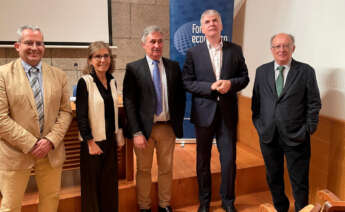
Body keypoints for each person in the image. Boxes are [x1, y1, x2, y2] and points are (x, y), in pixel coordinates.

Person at [182, 9, 249, 212]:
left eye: (215, 21)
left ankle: (228, 202)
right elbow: (187, 82)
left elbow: (244, 78)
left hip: (227, 114)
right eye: (207, 22)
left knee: (228, 160)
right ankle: (204, 202)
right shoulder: (193, 53)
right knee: (202, 160)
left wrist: (231, 84)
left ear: (221, 25)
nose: (211, 24)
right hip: (204, 113)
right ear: (202, 28)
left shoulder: (235, 50)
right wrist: (209, 87)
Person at [0, 25, 72, 212]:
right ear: (17, 46)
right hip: (14, 152)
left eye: (39, 43)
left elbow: (65, 112)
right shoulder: (3, 75)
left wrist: (50, 140)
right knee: (10, 205)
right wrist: (32, 143)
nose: (34, 47)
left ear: (44, 46)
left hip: (51, 152)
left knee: (51, 199)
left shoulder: (59, 75)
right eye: (29, 43)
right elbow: (1, 118)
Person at [251, 33, 322, 212]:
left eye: (285, 46)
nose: (281, 50)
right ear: (271, 49)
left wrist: (308, 129)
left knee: (299, 181)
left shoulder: (305, 71)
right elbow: (256, 103)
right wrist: (260, 126)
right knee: (273, 178)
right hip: (268, 136)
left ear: (293, 48)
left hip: (297, 136)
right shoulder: (261, 71)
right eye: (277, 46)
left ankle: (301, 209)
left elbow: (314, 103)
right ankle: (280, 208)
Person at [123, 25, 186, 212]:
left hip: (167, 128)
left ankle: (165, 204)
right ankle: (144, 207)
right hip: (143, 130)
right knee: (143, 170)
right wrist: (136, 131)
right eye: (152, 41)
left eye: (160, 41)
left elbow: (180, 97)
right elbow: (129, 103)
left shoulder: (173, 67)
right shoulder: (133, 68)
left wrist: (177, 123)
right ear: (144, 44)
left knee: (166, 169)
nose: (157, 45)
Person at [76, 41, 123, 212]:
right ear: (90, 60)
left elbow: (113, 112)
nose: (103, 60)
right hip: (92, 144)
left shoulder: (112, 81)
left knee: (109, 187)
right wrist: (90, 142)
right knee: (92, 190)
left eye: (106, 55)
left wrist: (118, 135)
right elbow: (81, 117)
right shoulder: (85, 82)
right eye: (97, 56)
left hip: (109, 142)